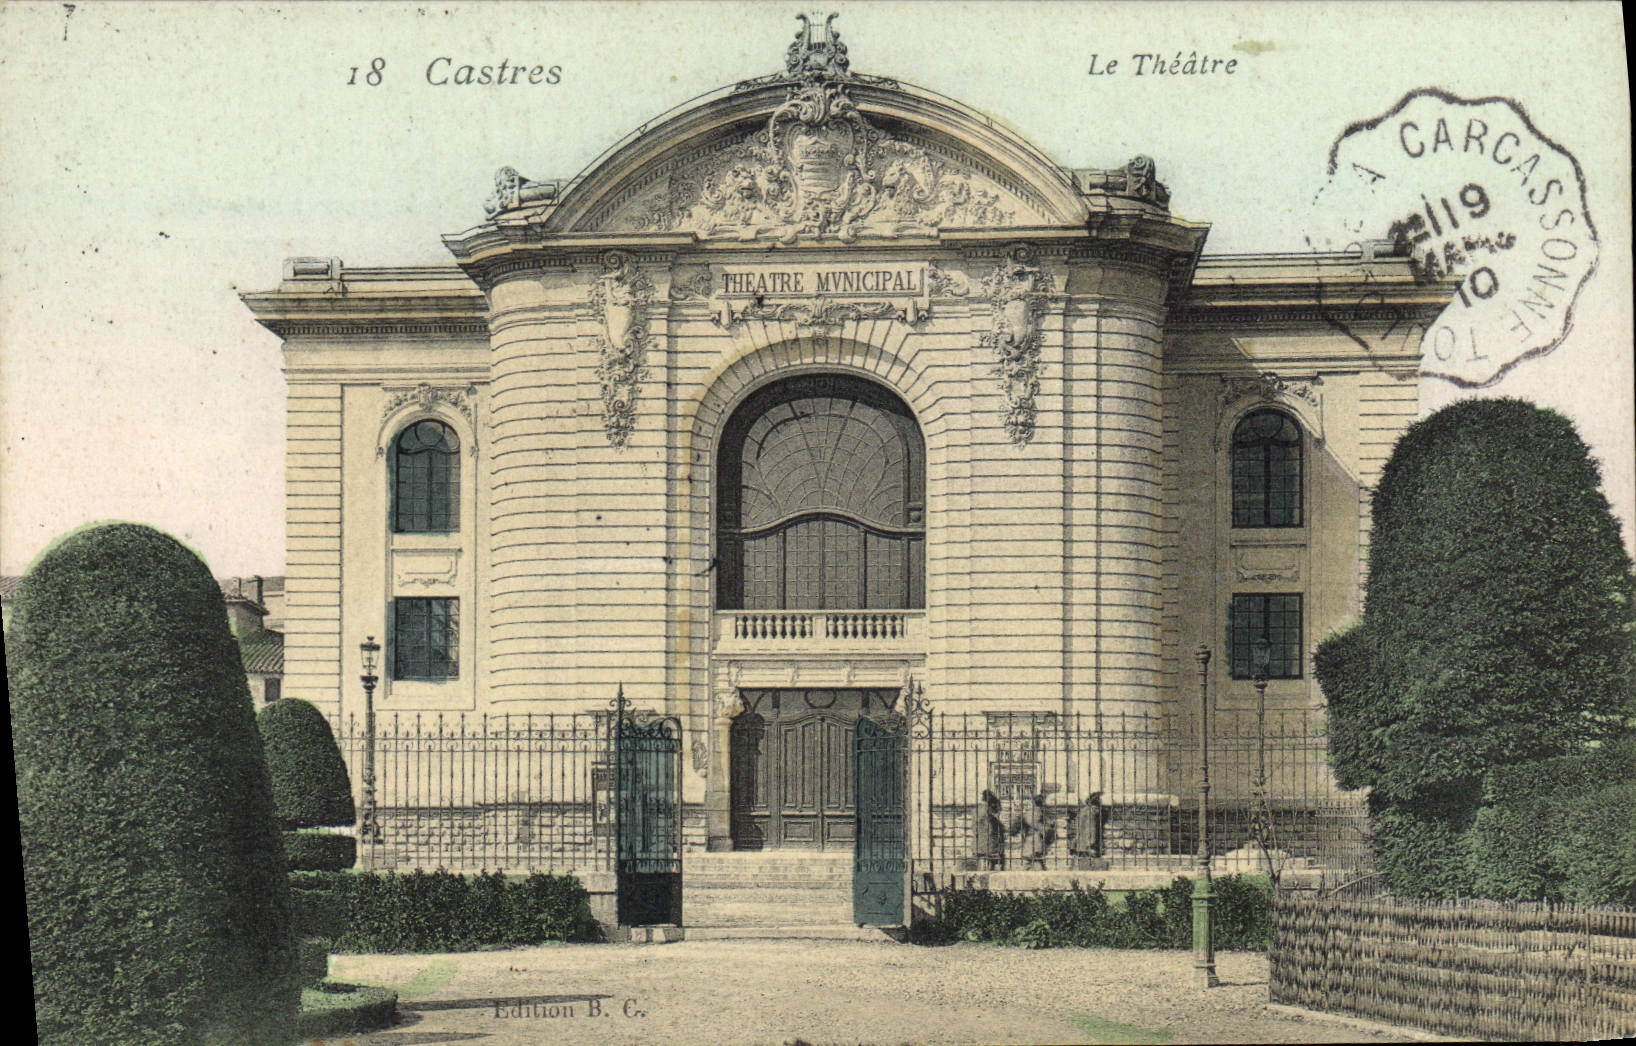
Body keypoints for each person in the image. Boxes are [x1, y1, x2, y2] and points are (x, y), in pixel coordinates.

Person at [1011, 792, 1051, 870]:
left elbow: (1015, 828)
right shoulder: (1041, 814)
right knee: (1037, 867)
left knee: (1028, 865)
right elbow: (1046, 830)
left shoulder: (1028, 813)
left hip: (1029, 843)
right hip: (1037, 843)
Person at [973, 788, 1005, 870]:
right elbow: (990, 830)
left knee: (981, 869)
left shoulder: (976, 810)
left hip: (978, 845)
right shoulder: (988, 813)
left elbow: (974, 828)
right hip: (989, 847)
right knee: (988, 871)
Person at [1070, 791, 1104, 861]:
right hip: (1087, 845)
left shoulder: (1083, 811)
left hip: (1080, 844)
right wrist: (1091, 844)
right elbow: (1091, 829)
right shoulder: (1090, 813)